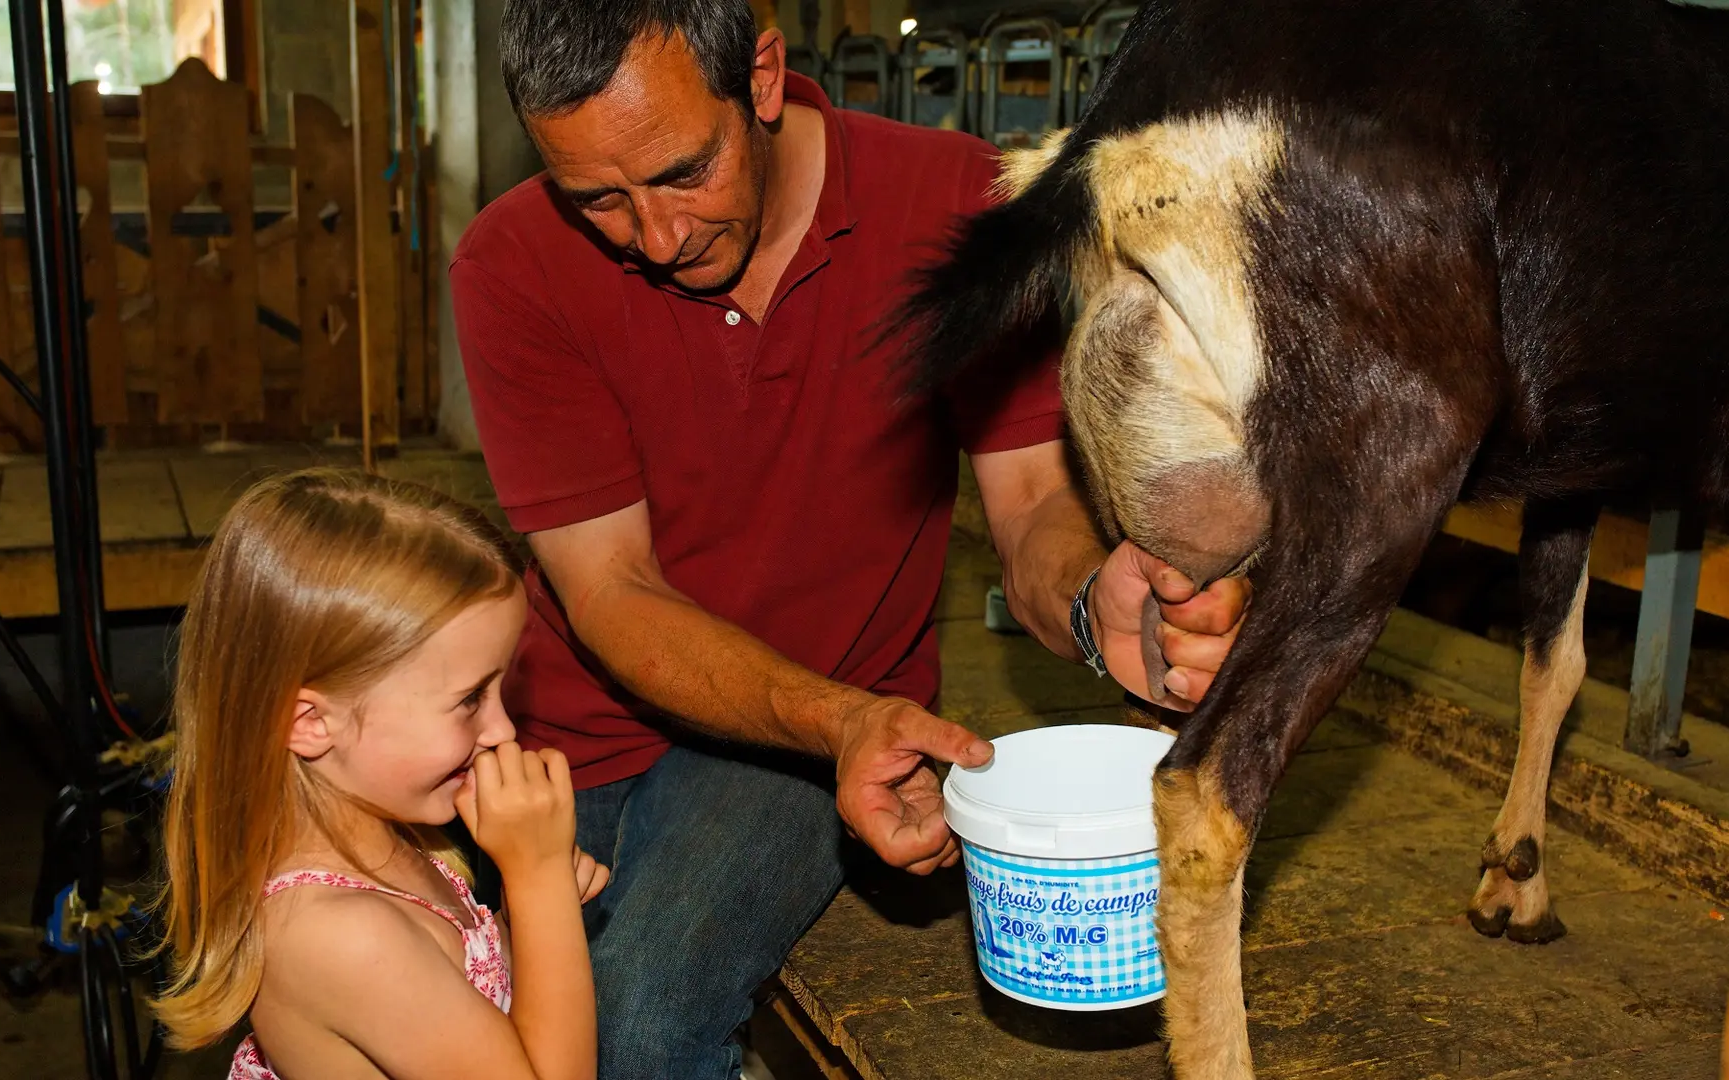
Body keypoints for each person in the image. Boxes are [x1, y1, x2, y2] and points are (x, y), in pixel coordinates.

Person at [449, 3, 1252, 1077]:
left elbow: (1030, 513)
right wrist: (844, 720)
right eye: (597, 197)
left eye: (684, 171)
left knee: (637, 1027)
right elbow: (611, 593)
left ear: (766, 76)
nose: (655, 236)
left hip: (800, 729)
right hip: (564, 737)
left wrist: (1091, 602)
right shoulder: (514, 262)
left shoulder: (956, 202)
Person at [151, 468, 610, 1079]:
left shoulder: (394, 835)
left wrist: (520, 924)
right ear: (311, 721)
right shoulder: (340, 938)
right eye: (471, 698)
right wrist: (540, 882)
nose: (502, 730)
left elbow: (463, 999)